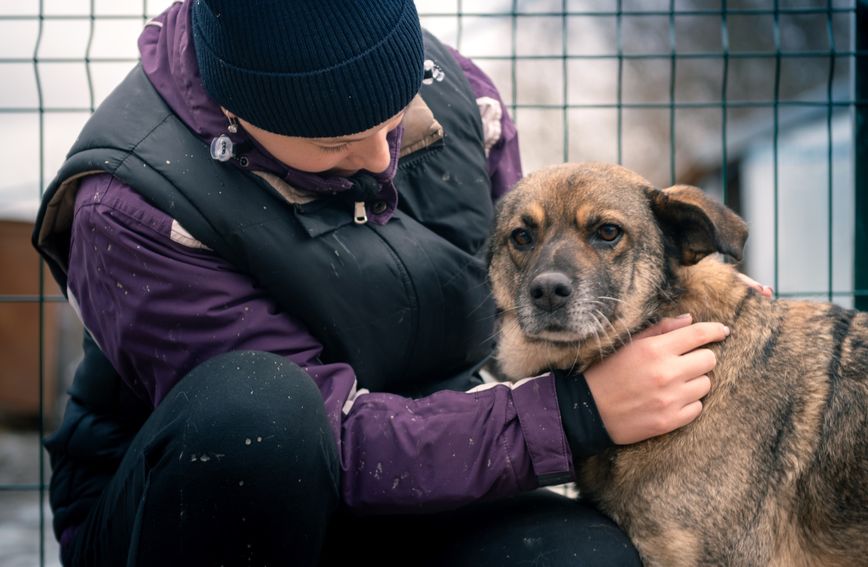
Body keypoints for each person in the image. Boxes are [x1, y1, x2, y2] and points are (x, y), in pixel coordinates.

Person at [32, 1, 751, 565]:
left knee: (583, 557)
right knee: (261, 414)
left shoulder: (462, 97)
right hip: (216, 507)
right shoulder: (131, 207)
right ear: (238, 115)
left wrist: (704, 305)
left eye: (393, 122)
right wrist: (572, 415)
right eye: (338, 144)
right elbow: (326, 443)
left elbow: (519, 296)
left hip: (433, 466)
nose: (381, 160)